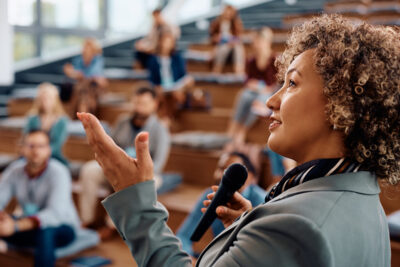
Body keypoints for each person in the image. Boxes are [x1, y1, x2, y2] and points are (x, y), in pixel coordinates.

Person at [77, 14, 399, 266]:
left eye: (292, 84)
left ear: (340, 104)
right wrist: (252, 226)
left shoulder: (296, 228)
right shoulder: (365, 195)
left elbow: (300, 234)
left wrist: (137, 201)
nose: (272, 100)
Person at [78, 87, 170, 237]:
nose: (139, 107)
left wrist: (135, 172)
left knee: (145, 182)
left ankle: (111, 225)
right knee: (89, 170)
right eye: (137, 102)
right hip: (116, 166)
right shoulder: (122, 121)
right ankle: (87, 220)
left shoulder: (160, 129)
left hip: (144, 173)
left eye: (144, 103)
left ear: (154, 104)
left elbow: (159, 163)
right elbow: (109, 145)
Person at [0, 130, 81, 267]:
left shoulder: (59, 172)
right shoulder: (15, 170)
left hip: (62, 227)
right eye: (31, 146)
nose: (36, 151)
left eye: (41, 146)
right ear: (22, 149)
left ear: (49, 150)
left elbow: (55, 213)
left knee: (45, 231)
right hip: (29, 225)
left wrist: (16, 226)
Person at [176, 152, 266, 257]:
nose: (222, 175)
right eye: (220, 168)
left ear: (249, 177)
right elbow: (183, 236)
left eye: (230, 170)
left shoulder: (262, 200)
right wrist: (187, 259)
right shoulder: (209, 194)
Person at [227, 27, 278, 145]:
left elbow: (277, 83)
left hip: (268, 92)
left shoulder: (275, 59)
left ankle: (242, 131)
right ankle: (232, 130)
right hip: (254, 90)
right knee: (244, 95)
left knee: (258, 101)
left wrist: (267, 88)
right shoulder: (251, 60)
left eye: (259, 41)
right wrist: (251, 84)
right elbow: (247, 79)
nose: (256, 45)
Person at [147, 31, 194, 120]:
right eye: (165, 42)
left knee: (187, 81)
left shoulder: (177, 58)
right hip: (162, 86)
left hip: (176, 85)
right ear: (160, 42)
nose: (167, 45)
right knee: (166, 94)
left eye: (169, 42)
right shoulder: (153, 59)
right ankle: (167, 118)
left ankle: (168, 118)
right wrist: (156, 86)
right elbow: (152, 78)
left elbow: (183, 75)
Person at [24, 82, 69, 166]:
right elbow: (27, 138)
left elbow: (57, 144)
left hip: (54, 156)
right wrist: (33, 152)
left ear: (55, 100)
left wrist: (41, 153)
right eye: (42, 98)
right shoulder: (32, 118)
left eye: (48, 98)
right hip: (32, 154)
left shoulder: (62, 120)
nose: (45, 101)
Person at [63, 38, 108, 116]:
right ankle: (85, 116)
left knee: (84, 88)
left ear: (93, 50)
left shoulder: (97, 60)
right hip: (82, 89)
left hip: (94, 88)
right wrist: (77, 74)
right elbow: (77, 75)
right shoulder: (78, 60)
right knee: (83, 90)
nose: (85, 50)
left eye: (88, 48)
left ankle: (75, 115)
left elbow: (91, 74)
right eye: (84, 47)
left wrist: (76, 74)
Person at [209, 5, 245, 74]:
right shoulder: (216, 24)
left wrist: (232, 41)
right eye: (226, 13)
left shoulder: (236, 24)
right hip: (220, 48)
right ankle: (217, 69)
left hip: (233, 49)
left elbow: (239, 39)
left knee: (238, 47)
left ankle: (238, 70)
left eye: (230, 13)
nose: (228, 15)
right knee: (224, 48)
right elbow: (212, 38)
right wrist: (218, 38)